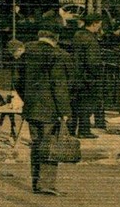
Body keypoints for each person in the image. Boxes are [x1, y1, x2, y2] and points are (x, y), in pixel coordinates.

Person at [14, 22, 72, 196]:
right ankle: (46, 183)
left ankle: (36, 182)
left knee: (36, 143)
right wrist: (64, 110)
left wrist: (28, 98)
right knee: (49, 145)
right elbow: (59, 84)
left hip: (31, 107)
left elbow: (17, 80)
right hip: (50, 108)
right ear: (56, 39)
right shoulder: (56, 55)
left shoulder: (26, 53)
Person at [69, 13, 104, 138]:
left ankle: (71, 130)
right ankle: (84, 131)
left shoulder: (78, 35)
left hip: (76, 75)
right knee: (87, 103)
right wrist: (97, 74)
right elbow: (92, 61)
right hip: (86, 77)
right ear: (95, 23)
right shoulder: (90, 39)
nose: (99, 27)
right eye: (99, 24)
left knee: (74, 104)